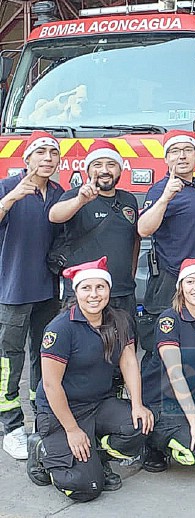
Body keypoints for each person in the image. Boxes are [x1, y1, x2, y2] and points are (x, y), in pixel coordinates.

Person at [27, 257, 153, 502]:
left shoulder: (120, 320)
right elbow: (51, 385)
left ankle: (96, 458)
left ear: (108, 289)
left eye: (100, 287)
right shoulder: (60, 328)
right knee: (85, 487)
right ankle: (41, 450)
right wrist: (72, 430)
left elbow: (128, 362)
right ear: (76, 292)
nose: (94, 295)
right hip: (61, 411)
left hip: (99, 403)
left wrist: (137, 403)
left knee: (141, 424)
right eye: (86, 288)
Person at [0, 131, 63, 460]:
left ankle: (42, 417)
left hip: (48, 290)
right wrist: (10, 200)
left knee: (44, 354)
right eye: (41, 153)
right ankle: (10, 425)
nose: (48, 158)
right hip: (13, 289)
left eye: (53, 153)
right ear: (27, 159)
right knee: (10, 358)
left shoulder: (58, 193)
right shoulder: (8, 187)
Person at [140, 259, 195, 472]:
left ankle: (194, 433)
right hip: (162, 398)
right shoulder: (169, 320)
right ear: (181, 286)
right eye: (190, 281)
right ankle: (154, 445)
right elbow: (175, 374)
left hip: (194, 392)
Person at [137, 130, 195, 352]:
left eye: (187, 150)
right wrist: (165, 199)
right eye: (174, 151)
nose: (181, 156)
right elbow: (143, 228)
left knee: (194, 344)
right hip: (170, 283)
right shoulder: (161, 189)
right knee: (162, 348)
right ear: (166, 159)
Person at [49, 140, 139, 311]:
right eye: (97, 164)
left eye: (111, 164)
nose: (104, 170)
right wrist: (79, 201)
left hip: (122, 294)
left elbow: (134, 240)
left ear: (120, 169)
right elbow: (55, 215)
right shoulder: (75, 195)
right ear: (88, 170)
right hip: (83, 294)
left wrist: (130, 277)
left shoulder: (129, 200)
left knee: (124, 338)